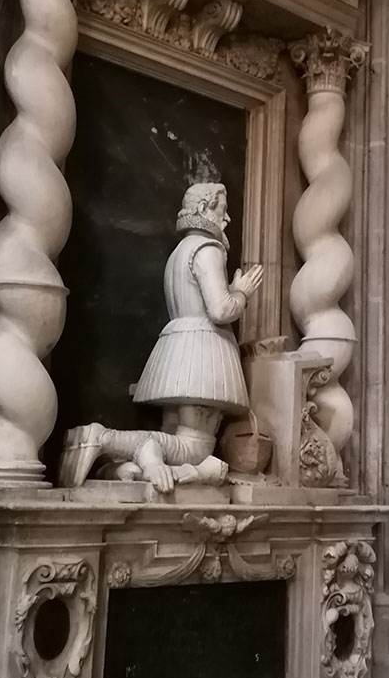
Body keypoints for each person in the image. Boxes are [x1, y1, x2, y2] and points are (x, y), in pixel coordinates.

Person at [58, 182, 263, 492]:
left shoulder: (179, 253)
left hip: (177, 355)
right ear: (203, 209)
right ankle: (105, 438)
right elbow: (220, 310)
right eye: (222, 209)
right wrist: (242, 293)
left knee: (173, 445)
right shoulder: (208, 249)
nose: (227, 218)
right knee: (196, 450)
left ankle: (123, 467)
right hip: (203, 358)